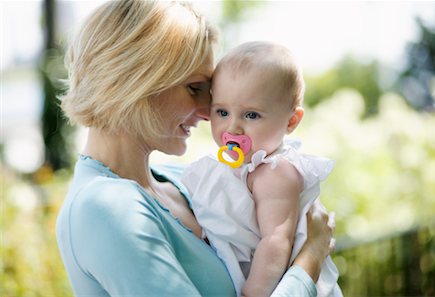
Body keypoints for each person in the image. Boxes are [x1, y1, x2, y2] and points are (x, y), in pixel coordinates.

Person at [55, 1, 335, 296]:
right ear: (135, 80)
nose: (207, 112)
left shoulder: (185, 180)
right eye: (194, 88)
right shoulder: (105, 208)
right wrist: (310, 261)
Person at [181, 41, 343, 297]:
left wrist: (252, 294)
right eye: (222, 112)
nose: (232, 128)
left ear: (291, 121)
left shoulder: (275, 172)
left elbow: (276, 241)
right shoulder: (237, 167)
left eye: (251, 115)